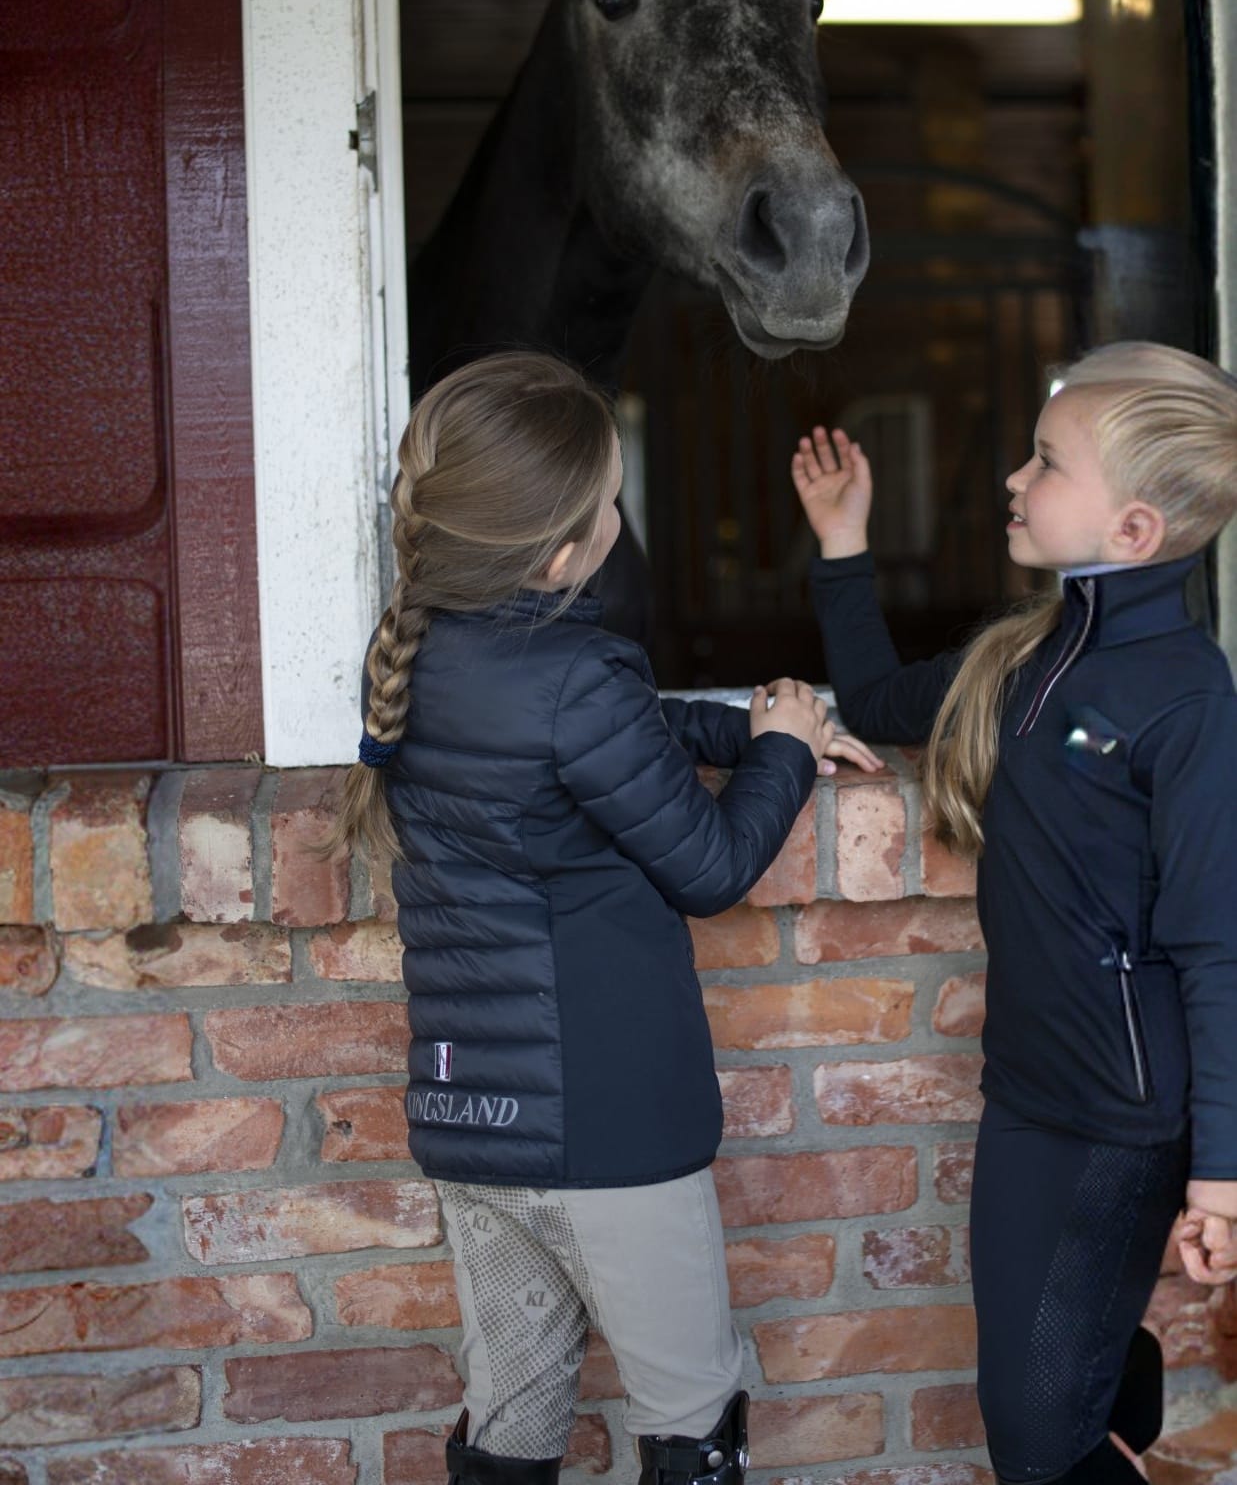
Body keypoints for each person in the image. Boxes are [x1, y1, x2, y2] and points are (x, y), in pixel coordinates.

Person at [330, 350, 880, 1485]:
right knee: (691, 1418)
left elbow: (614, 737)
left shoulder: (428, 657)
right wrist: (785, 751)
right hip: (608, 1120)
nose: (620, 522)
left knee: (511, 1416)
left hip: (473, 1120)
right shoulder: (577, 674)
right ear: (557, 554)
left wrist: (751, 729)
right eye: (611, 504)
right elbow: (710, 866)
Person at [791, 342, 1237, 1485]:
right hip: (1026, 1093)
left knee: (1035, 1441)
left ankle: (1108, 1406)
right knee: (1029, 1399)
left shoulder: (1187, 696)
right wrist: (841, 540)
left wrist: (1221, 1172)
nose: (1013, 478)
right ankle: (1120, 1402)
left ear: (1131, 528)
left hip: (1123, 1115)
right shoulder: (1021, 658)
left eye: (1045, 462)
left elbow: (1215, 944)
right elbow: (876, 700)